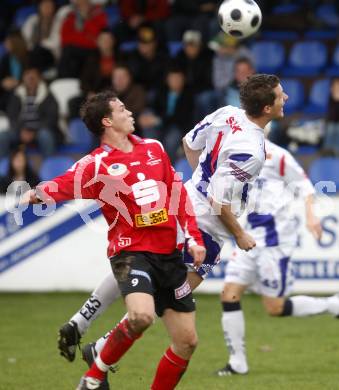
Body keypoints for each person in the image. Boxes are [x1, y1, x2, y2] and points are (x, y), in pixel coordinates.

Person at [57, 74, 289, 382]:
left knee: (142, 264)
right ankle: (98, 355)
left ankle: (84, 325)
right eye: (280, 95)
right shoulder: (251, 150)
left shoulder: (227, 113)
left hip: (185, 206)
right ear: (266, 107)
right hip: (206, 228)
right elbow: (219, 201)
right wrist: (239, 234)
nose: (285, 98)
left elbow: (189, 142)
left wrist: (197, 186)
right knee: (165, 299)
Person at [22, 90, 206, 390]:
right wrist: (33, 194)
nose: (130, 112)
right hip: (131, 253)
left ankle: (98, 370)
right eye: (122, 109)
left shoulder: (154, 148)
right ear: (107, 121)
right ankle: (95, 375)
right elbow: (63, 184)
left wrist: (193, 239)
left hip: (169, 255)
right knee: (142, 316)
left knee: (187, 341)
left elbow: (178, 194)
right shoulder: (96, 164)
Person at [215, 138, 339, 376]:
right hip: (248, 237)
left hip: (275, 241)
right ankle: (237, 362)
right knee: (229, 293)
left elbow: (304, 185)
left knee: (275, 307)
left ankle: (331, 304)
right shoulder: (234, 154)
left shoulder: (277, 155)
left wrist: (311, 215)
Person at [0, 66, 60, 158]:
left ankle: (49, 167)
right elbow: (11, 116)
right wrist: (21, 131)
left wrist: (34, 132)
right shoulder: (17, 94)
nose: (30, 80)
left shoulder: (47, 95)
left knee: (46, 136)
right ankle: (3, 169)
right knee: (2, 136)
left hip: (40, 131)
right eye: (28, 77)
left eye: (33, 78)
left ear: (39, 79)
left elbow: (51, 118)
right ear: (23, 79)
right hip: (20, 131)